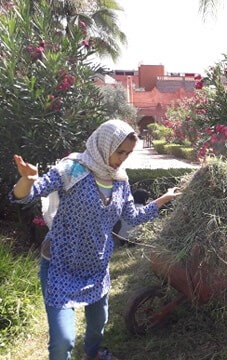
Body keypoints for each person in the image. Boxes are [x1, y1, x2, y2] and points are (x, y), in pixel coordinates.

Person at [9, 119, 180, 360]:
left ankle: (93, 354)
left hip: (96, 266)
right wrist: (27, 180)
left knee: (99, 322)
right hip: (61, 265)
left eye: (128, 153)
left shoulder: (120, 180)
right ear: (104, 144)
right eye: (119, 151)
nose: (122, 158)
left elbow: (132, 216)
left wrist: (163, 199)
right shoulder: (72, 170)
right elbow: (26, 197)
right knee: (63, 341)